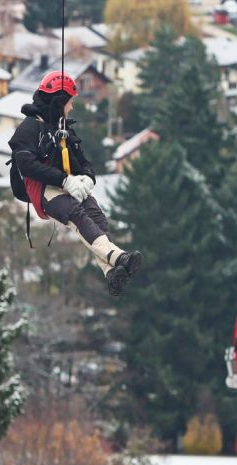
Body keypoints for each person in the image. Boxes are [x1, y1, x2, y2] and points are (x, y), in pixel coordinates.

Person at [8, 71, 142, 296]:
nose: (71, 108)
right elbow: (27, 166)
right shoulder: (28, 129)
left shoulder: (62, 128)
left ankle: (110, 272)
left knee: (97, 217)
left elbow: (82, 161)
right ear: (59, 103)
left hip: (66, 182)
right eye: (69, 103)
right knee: (75, 214)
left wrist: (87, 179)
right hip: (42, 189)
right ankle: (118, 257)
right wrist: (64, 180)